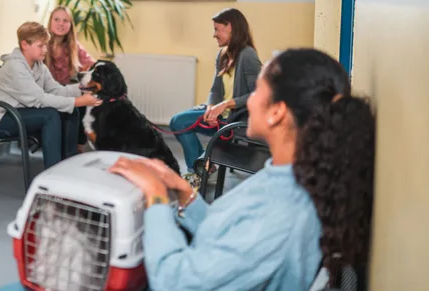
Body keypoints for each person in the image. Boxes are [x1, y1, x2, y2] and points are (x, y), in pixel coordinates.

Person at [108, 48, 375, 290]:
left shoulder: (280, 213)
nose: (249, 101)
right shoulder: (292, 177)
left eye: (257, 91)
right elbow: (235, 237)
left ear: (277, 113)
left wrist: (155, 197)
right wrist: (186, 194)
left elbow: (174, 282)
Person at [0, 22, 101, 168]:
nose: (45, 50)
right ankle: (53, 171)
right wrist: (77, 101)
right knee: (50, 115)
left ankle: (68, 163)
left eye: (46, 45)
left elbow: (57, 91)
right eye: (40, 45)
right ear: (25, 45)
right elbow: (39, 100)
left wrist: (84, 88)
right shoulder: (15, 67)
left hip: (18, 112)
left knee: (70, 111)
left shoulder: (39, 66)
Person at [168, 8, 262, 176]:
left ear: (230, 27)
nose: (214, 34)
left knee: (181, 122)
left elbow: (258, 95)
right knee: (177, 122)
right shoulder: (223, 55)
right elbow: (216, 88)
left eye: (217, 29)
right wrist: (212, 108)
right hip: (220, 115)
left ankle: (198, 173)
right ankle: (204, 168)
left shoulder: (248, 55)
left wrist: (225, 105)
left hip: (235, 121)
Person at [45, 6, 96, 151]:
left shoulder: (74, 46)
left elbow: (92, 65)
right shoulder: (43, 44)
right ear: (50, 22)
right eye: (57, 20)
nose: (61, 24)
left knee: (85, 100)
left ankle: (77, 146)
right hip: (46, 93)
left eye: (65, 20)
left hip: (64, 91)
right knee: (75, 103)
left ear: (70, 25)